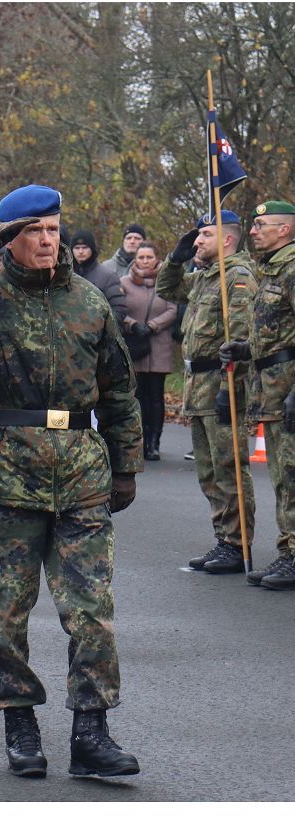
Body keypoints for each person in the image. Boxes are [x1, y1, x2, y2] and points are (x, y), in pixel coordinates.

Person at [0, 183, 143, 780]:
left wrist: (125, 465)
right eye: (32, 229)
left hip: (81, 473)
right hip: (7, 475)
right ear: (9, 238)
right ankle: (19, 721)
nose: (47, 240)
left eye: (52, 228)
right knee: (9, 611)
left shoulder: (89, 302)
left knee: (91, 612)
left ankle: (91, 731)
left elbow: (118, 389)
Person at [156, 211, 256, 574]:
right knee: (209, 472)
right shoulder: (205, 278)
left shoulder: (238, 278)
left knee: (229, 467)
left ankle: (237, 543)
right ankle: (224, 539)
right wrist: (174, 259)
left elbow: (244, 338)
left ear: (227, 240)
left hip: (222, 383)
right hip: (198, 387)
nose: (197, 241)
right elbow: (166, 290)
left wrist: (233, 386)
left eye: (204, 235)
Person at [220, 200, 295, 590]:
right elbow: (278, 333)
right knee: (283, 475)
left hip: (288, 388)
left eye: (261, 224)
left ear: (284, 230)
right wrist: (246, 349)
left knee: (293, 474)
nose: (252, 230)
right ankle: (289, 551)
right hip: (271, 388)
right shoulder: (272, 269)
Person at [120, 241, 177, 461]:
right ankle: (138, 441)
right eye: (141, 257)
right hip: (135, 346)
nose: (145, 261)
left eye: (149, 257)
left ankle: (154, 442)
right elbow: (117, 308)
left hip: (159, 345)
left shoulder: (166, 282)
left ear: (156, 258)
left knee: (155, 398)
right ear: (135, 259)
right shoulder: (124, 282)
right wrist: (133, 324)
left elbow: (173, 309)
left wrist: (153, 325)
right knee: (137, 397)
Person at [69, 229, 128, 327]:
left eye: (85, 247)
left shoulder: (108, 276)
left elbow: (119, 309)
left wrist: (98, 326)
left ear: (92, 249)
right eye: (77, 248)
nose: (80, 251)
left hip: (97, 335)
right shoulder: (65, 275)